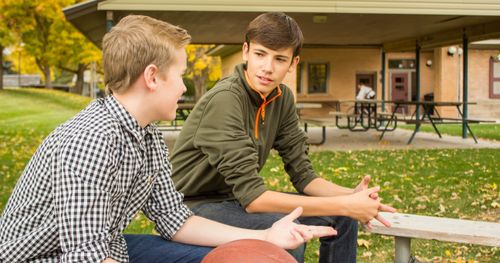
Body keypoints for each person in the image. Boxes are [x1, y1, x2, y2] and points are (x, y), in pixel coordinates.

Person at [0, 15, 336, 263]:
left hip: (111, 249)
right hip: (48, 258)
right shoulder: (91, 140)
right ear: (152, 77)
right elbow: (84, 258)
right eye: (181, 74)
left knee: (256, 257)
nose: (183, 87)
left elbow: (175, 219)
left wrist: (264, 236)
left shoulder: (147, 137)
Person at [170, 12, 396, 263]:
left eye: (279, 59)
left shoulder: (282, 98)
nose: (268, 67)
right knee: (290, 235)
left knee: (343, 218)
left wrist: (351, 198)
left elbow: (304, 176)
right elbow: (255, 199)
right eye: (260, 54)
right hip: (191, 206)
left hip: (236, 199)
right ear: (245, 51)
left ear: (293, 63)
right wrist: (343, 203)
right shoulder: (226, 100)